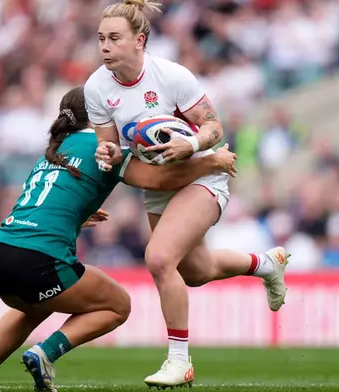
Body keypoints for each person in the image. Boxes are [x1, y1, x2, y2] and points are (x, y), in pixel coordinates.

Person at [0, 86, 238, 392]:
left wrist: (77, 214)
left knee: (34, 307)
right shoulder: (102, 147)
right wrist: (212, 161)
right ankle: (44, 354)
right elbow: (159, 180)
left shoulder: (58, 148)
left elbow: (47, 201)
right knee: (118, 305)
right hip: (36, 257)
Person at [84, 0, 291, 387]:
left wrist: (192, 145)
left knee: (160, 258)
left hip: (202, 174)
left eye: (114, 38)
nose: (105, 47)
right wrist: (105, 155)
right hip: (159, 184)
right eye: (100, 39)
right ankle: (265, 264)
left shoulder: (170, 76)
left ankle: (180, 361)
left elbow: (215, 127)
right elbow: (111, 149)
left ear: (139, 41)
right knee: (195, 272)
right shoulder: (96, 87)